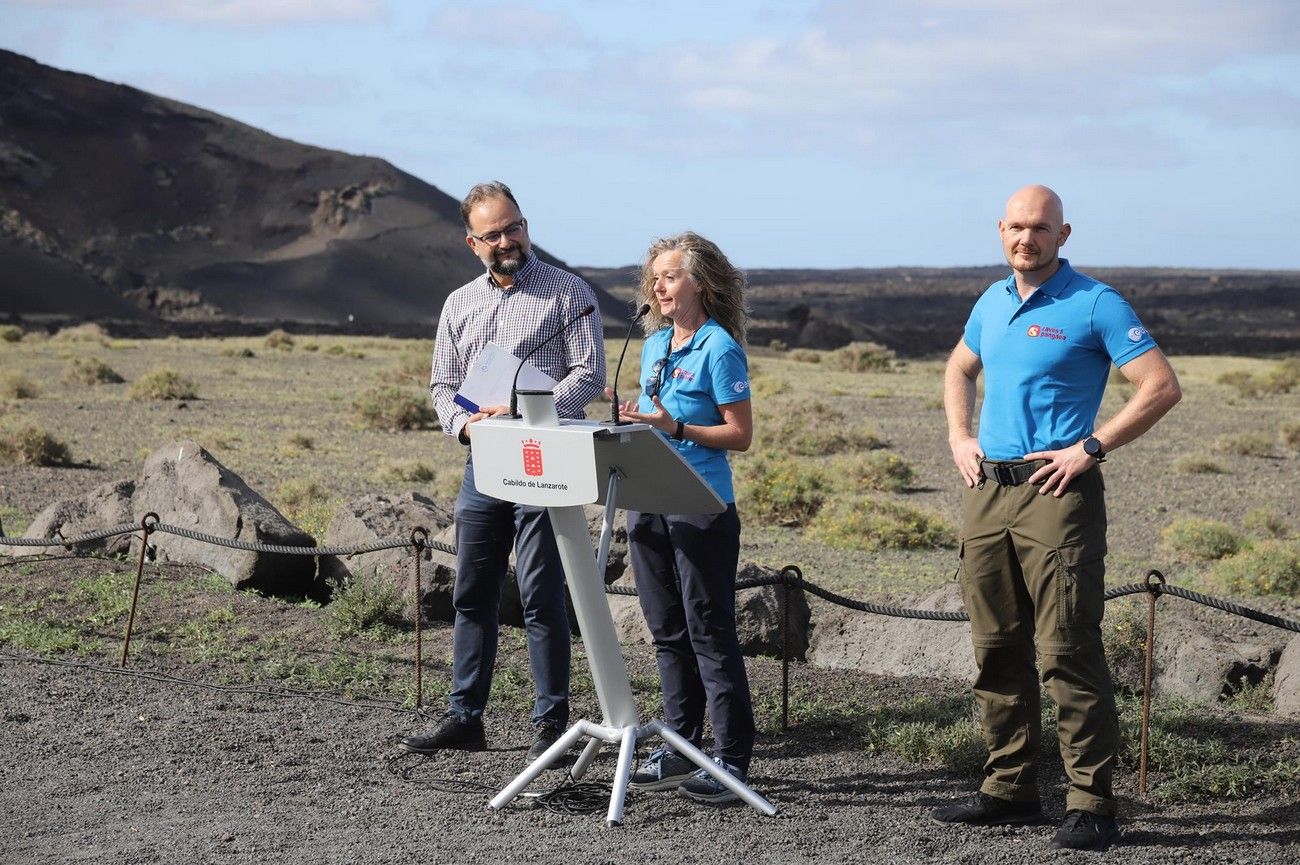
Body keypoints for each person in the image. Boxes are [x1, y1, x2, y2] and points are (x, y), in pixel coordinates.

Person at [932, 185, 1181, 850]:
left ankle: (1091, 802)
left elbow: (1161, 385)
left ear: (1062, 234)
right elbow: (959, 367)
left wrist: (1092, 446)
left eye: (1039, 228)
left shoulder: (1095, 303)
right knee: (995, 647)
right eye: (1016, 227)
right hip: (987, 491)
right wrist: (960, 436)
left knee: (1067, 649)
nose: (1026, 238)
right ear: (1001, 230)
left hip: (1056, 494)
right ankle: (1009, 788)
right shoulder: (991, 301)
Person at [401, 181, 605, 762]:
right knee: (472, 591)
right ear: (473, 243)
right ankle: (465, 717)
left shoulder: (570, 292)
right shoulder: (458, 305)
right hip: (483, 461)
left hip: (543, 460)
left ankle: (551, 726)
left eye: (513, 227)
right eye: (492, 234)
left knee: (542, 594)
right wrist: (465, 427)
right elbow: (443, 385)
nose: (506, 240)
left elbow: (587, 376)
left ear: (525, 224)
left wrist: (522, 413)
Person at [613, 231, 756, 805]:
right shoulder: (652, 345)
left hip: (701, 507)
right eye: (655, 277)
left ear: (701, 283)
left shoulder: (720, 348)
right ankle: (679, 744)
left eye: (670, 275)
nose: (658, 286)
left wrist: (675, 428)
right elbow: (656, 415)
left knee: (708, 628)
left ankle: (730, 760)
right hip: (648, 500)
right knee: (666, 629)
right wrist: (636, 419)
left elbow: (739, 436)